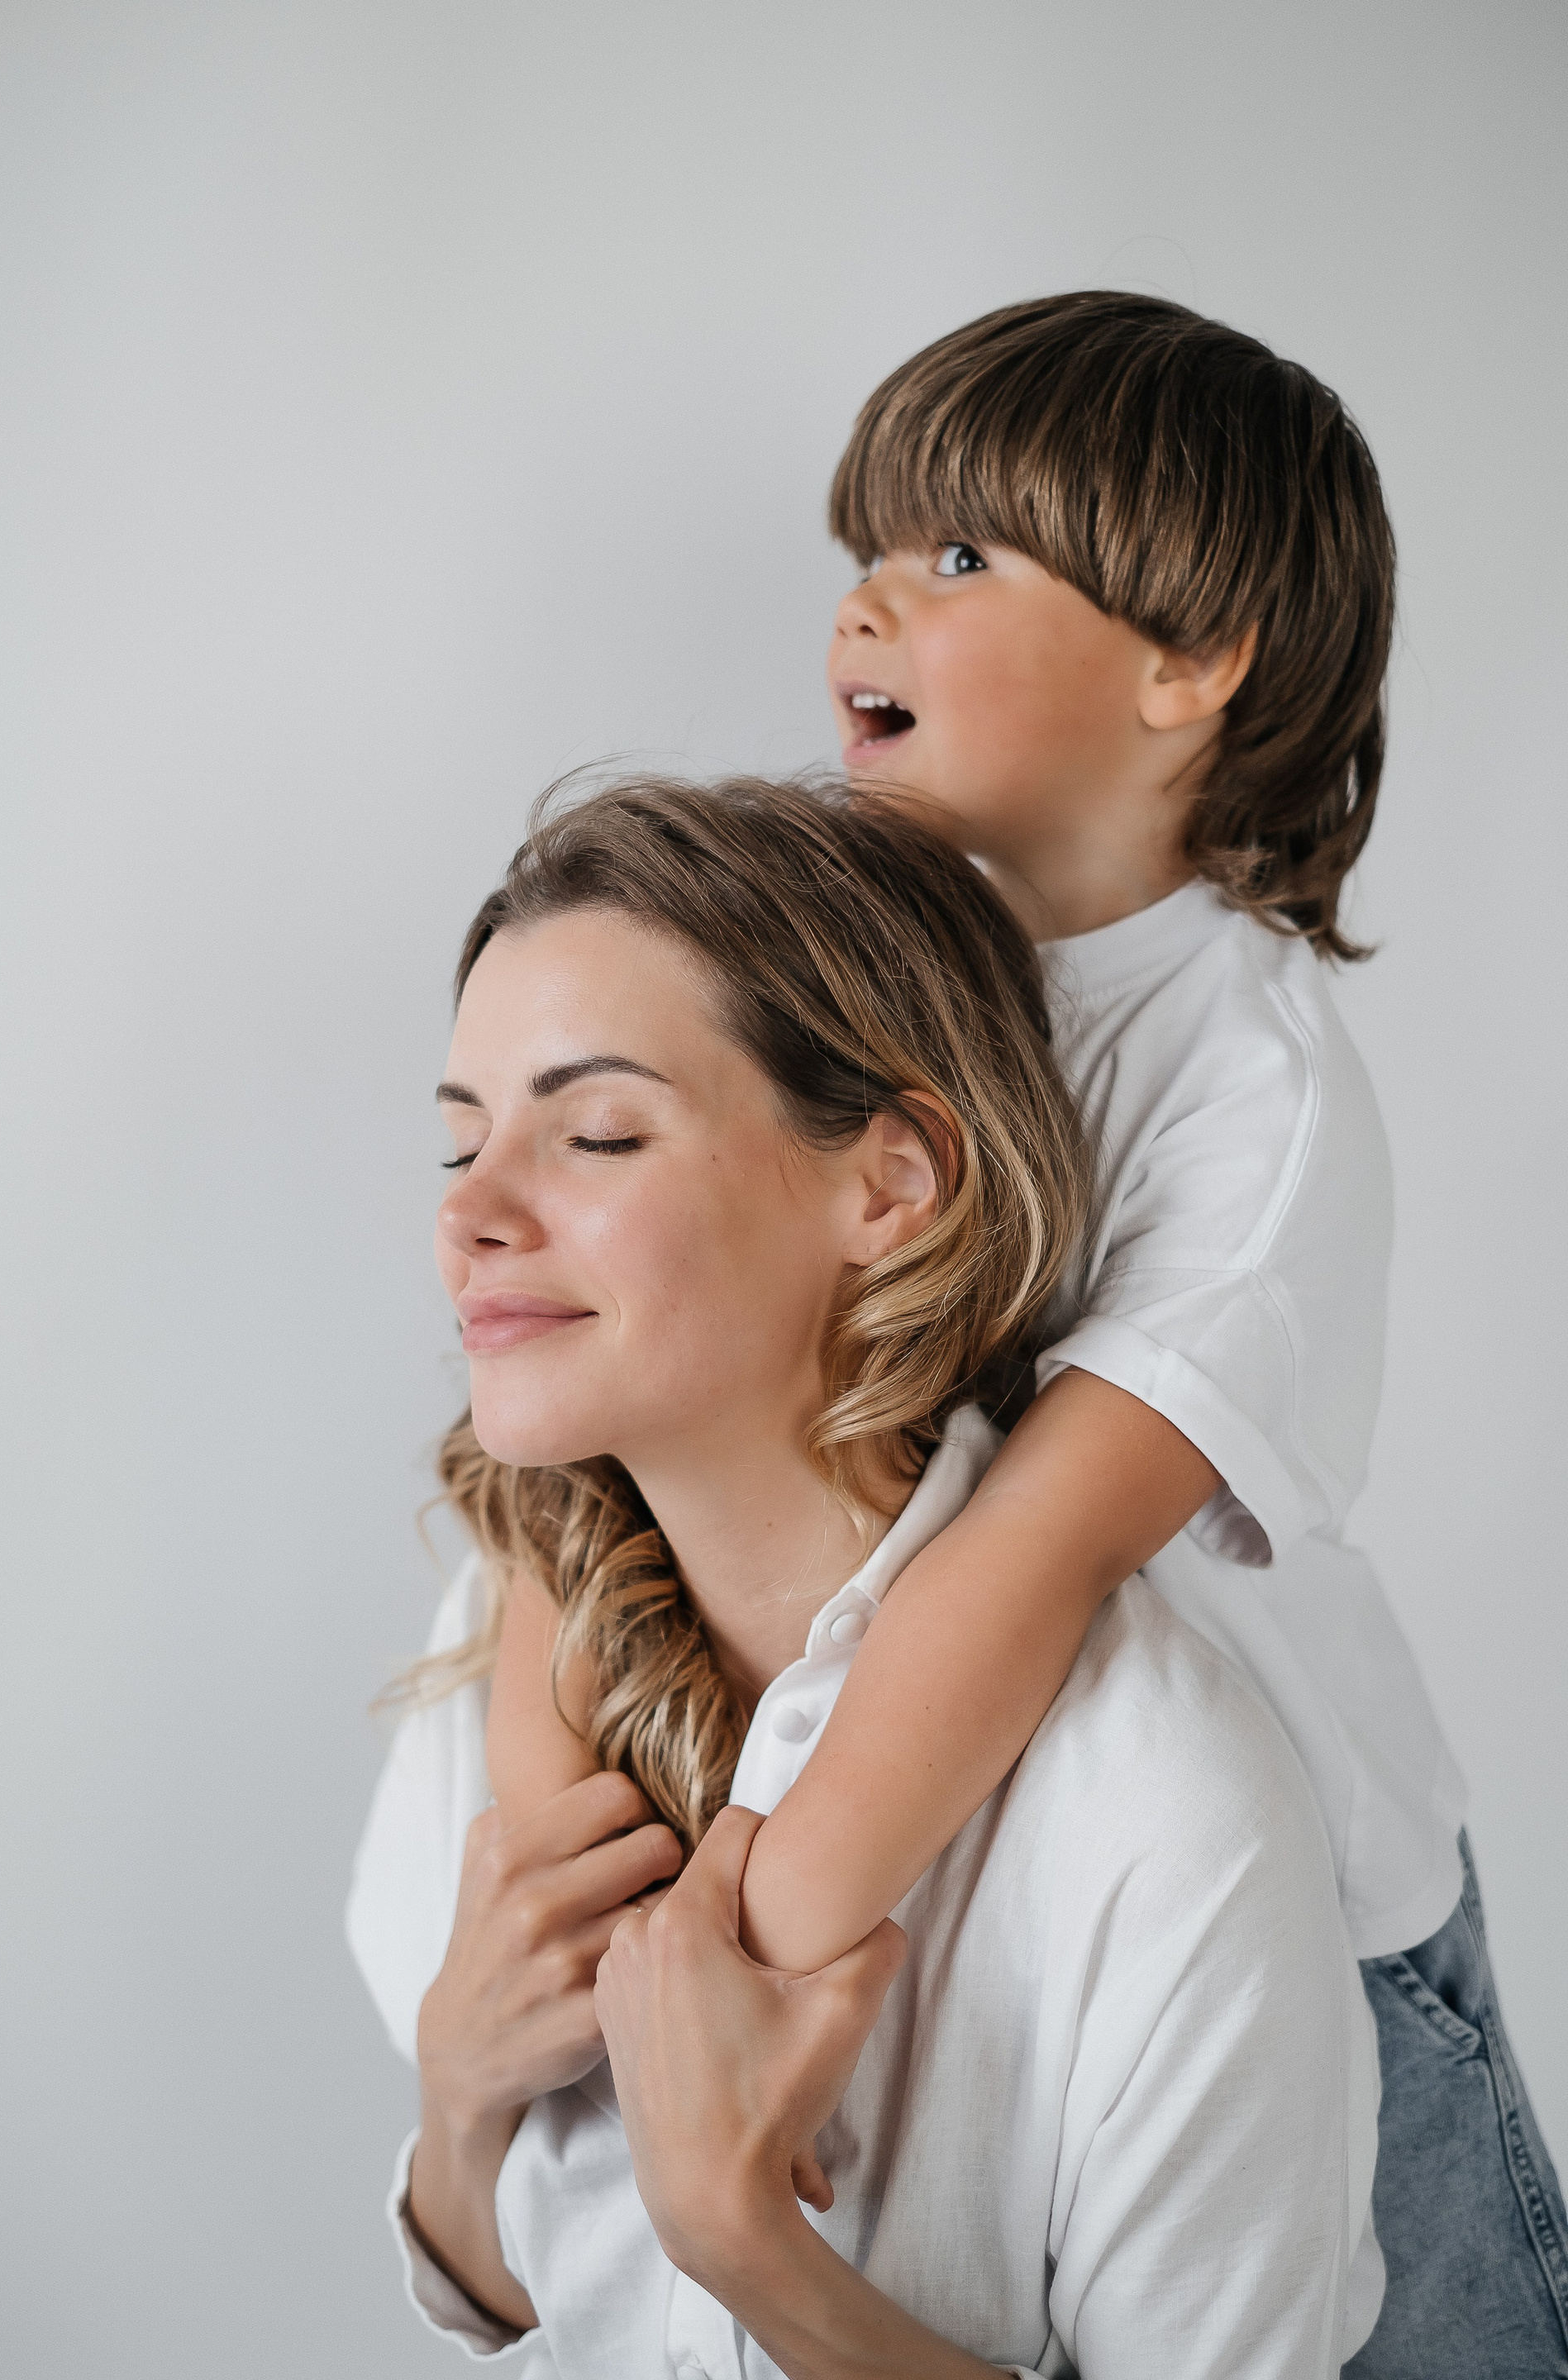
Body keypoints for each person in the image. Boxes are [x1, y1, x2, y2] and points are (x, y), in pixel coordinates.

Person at [478, 297, 1568, 2373]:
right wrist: (562, 1905)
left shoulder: (1252, 1090)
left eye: (960, 555)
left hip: (1286, 1917)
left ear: (1194, 660)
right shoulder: (881, 969)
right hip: (933, 1825)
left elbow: (1037, 1554)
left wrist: (741, 1966)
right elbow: (601, 1426)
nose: (867, 604)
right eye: (869, 552)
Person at [347, 774, 1383, 2376]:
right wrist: (460, 2101)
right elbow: (513, 2301)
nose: (469, 1214)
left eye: (597, 1133)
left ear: (890, 1185)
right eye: (461, 1141)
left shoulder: (1163, 1812)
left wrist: (749, 2249)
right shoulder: (489, 1658)